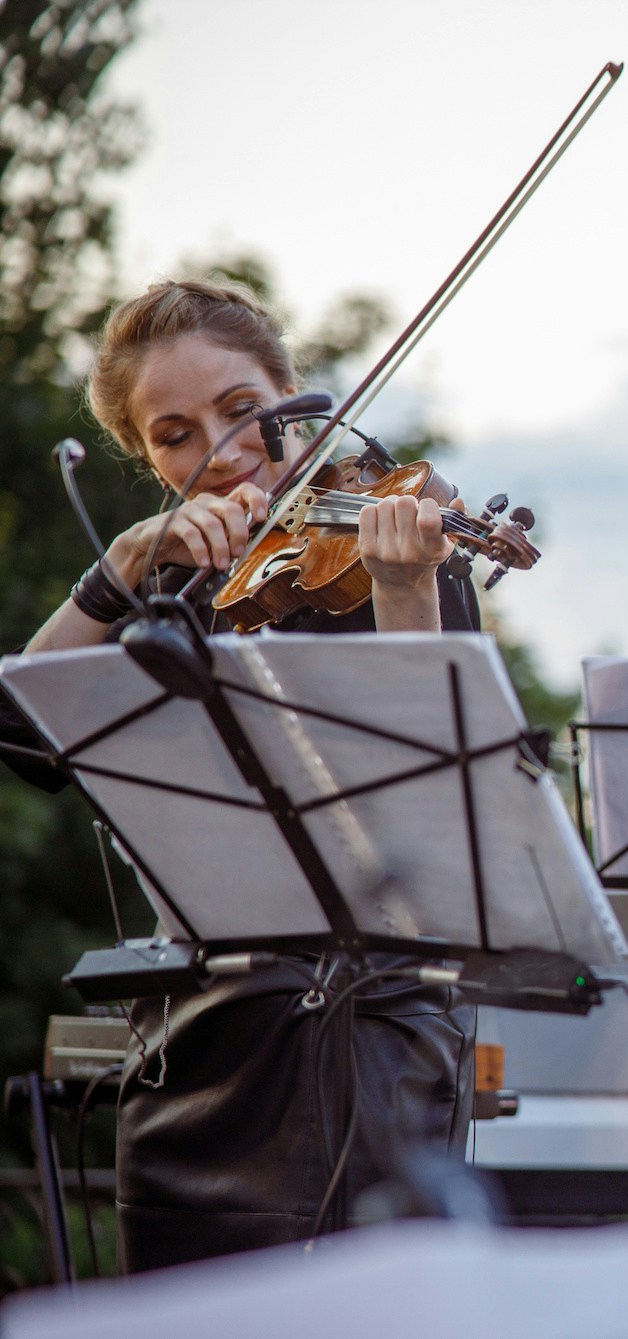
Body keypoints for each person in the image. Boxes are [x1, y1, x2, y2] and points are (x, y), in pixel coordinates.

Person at [0, 278, 476, 1271]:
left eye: (241, 410)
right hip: (194, 1040)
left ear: (291, 395)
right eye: (174, 434)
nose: (221, 450)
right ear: (146, 458)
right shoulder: (169, 578)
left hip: (366, 1029)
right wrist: (120, 566)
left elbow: (432, 794)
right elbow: (20, 732)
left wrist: (401, 587)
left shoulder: (396, 532)